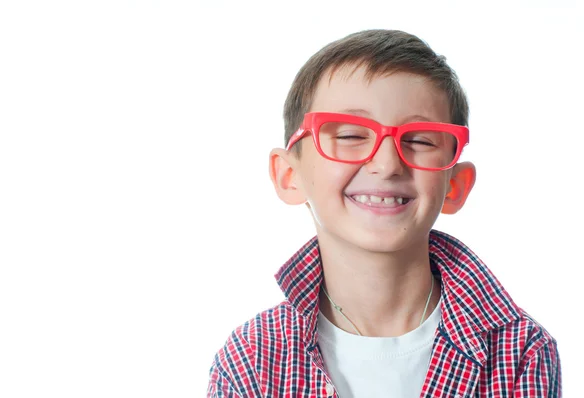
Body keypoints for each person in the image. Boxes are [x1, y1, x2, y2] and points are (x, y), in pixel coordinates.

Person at [206, 29, 561, 397]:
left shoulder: (521, 353)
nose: (387, 163)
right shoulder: (252, 359)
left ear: (456, 185)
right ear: (289, 175)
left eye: (420, 140)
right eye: (350, 135)